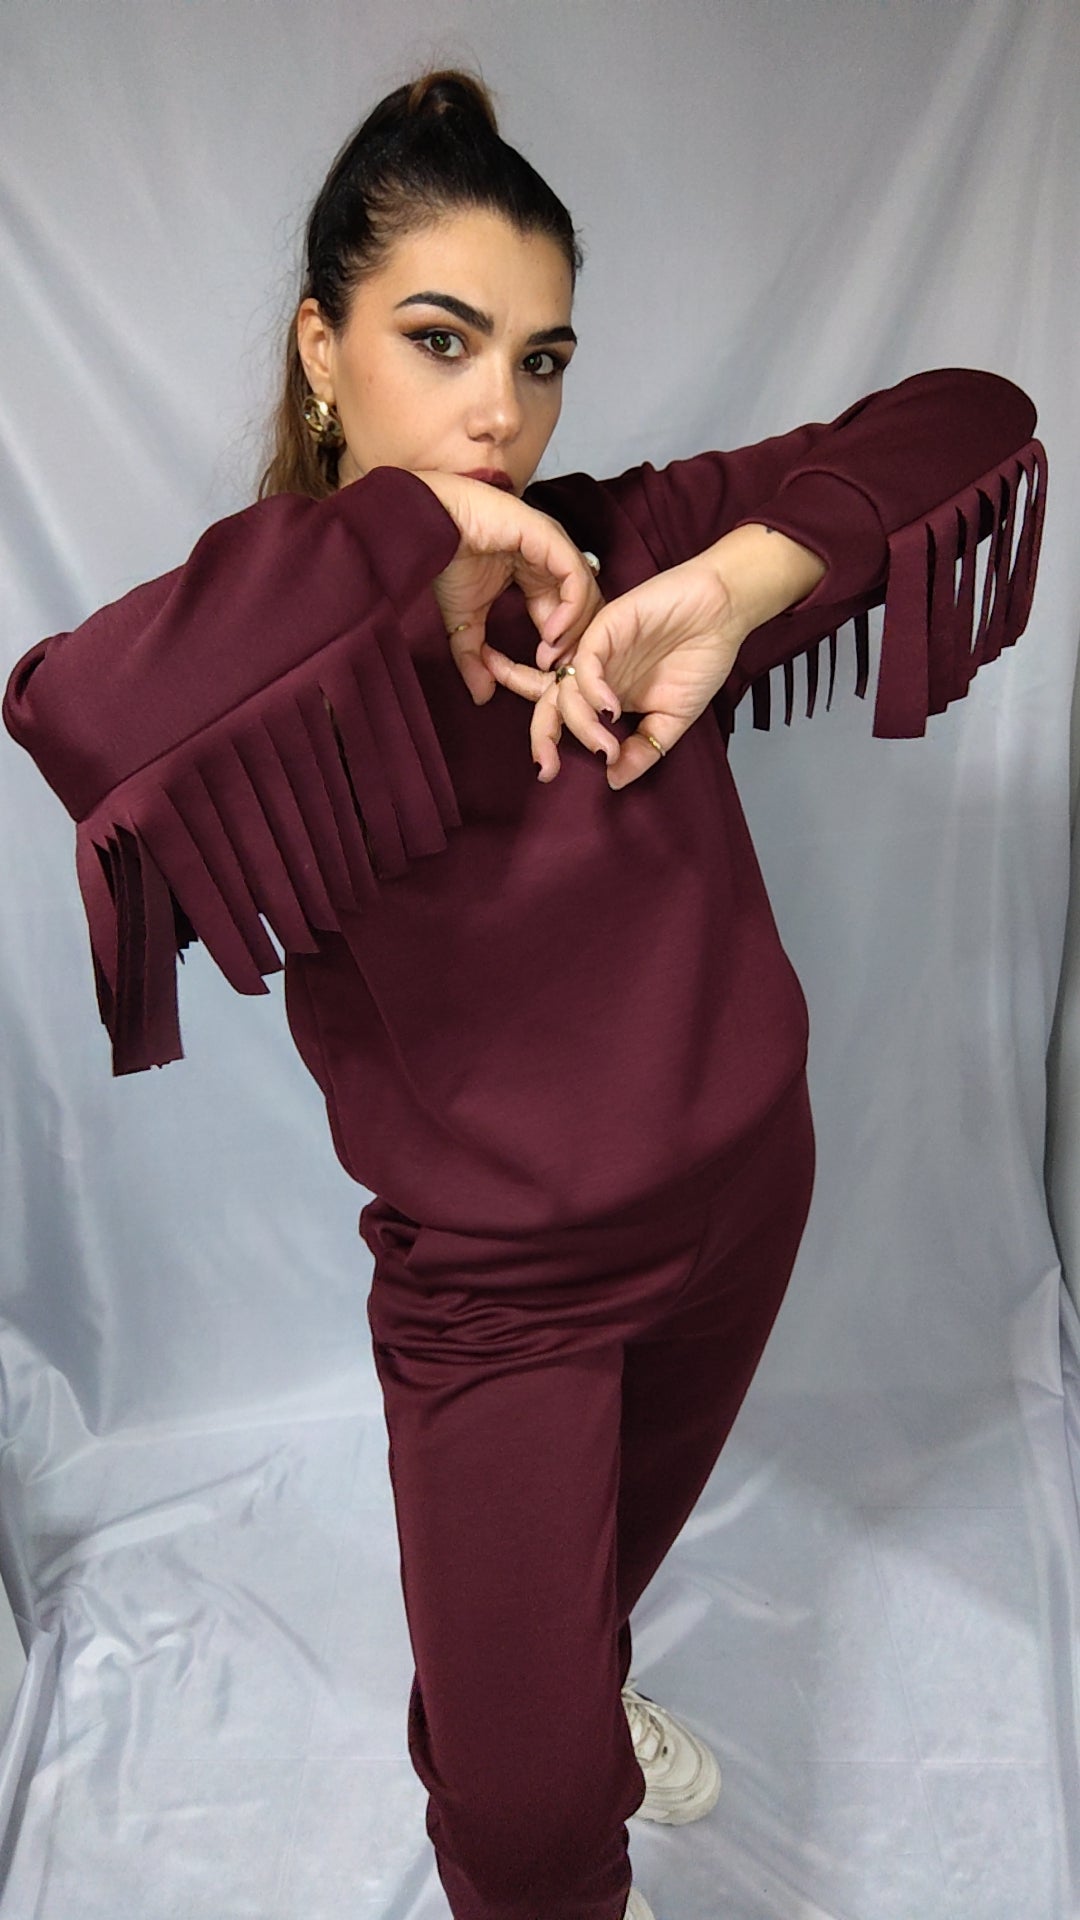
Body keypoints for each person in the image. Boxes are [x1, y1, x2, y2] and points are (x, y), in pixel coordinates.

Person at [2, 67, 1046, 1920]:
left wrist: (744, 582)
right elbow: (74, 713)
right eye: (442, 341)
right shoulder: (269, 656)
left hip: (748, 1202)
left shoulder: (625, 553)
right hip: (502, 1300)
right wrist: (411, 545)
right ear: (322, 355)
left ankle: (567, 1692)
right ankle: (543, 1736)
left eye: (541, 356)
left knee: (581, 1615)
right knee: (527, 1826)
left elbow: (973, 414)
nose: (502, 410)